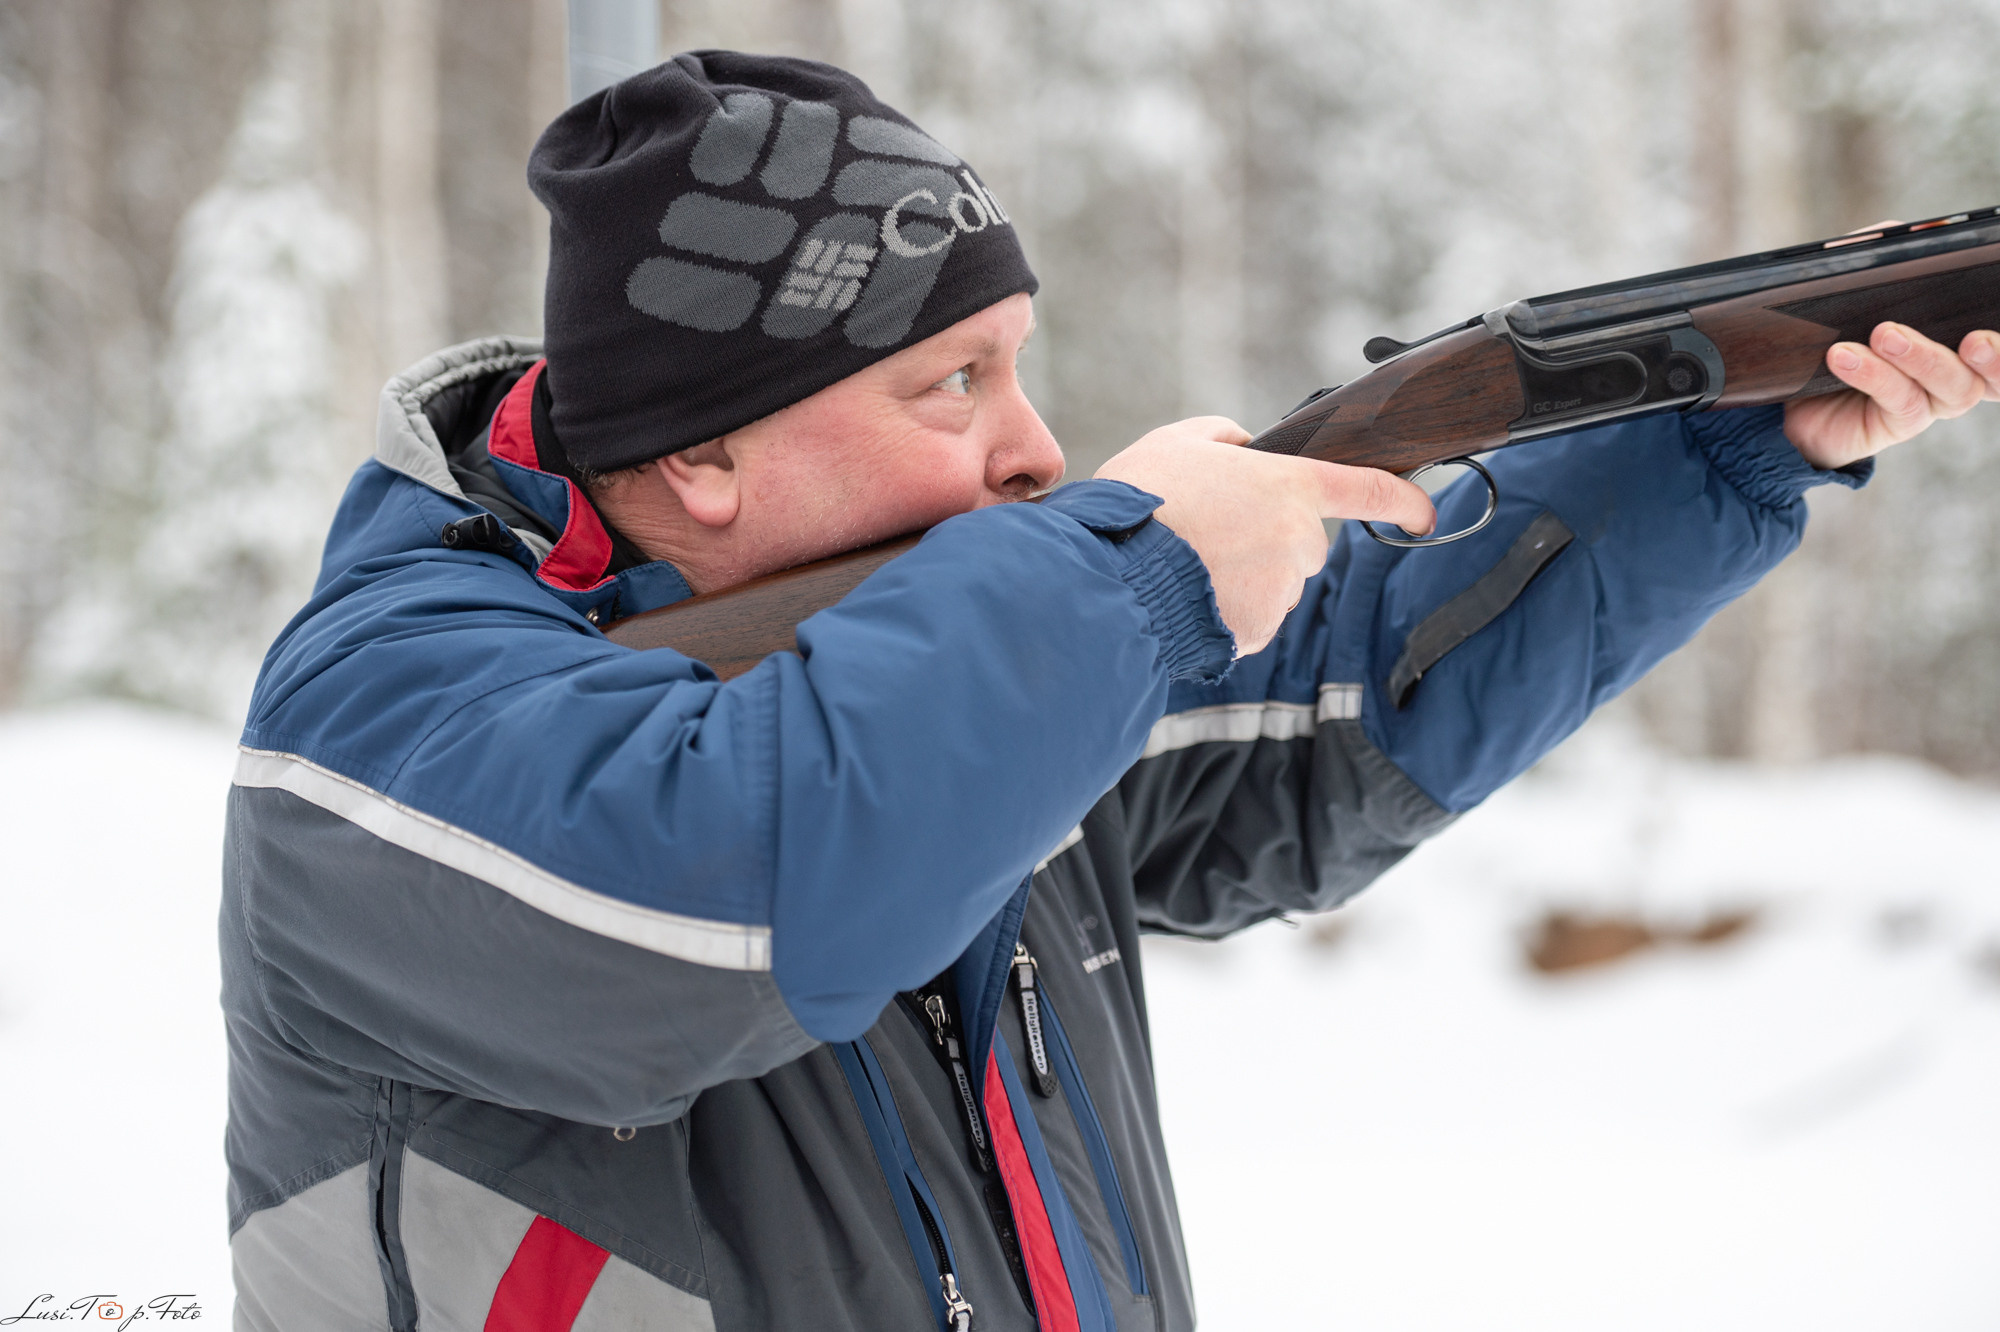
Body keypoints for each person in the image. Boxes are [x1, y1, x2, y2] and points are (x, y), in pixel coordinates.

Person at [219, 51, 1998, 1331]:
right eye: (955, 384)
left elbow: (1326, 732)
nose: (1039, 448)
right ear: (703, 458)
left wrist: (1722, 434)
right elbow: (744, 872)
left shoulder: (954, 663)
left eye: (1022, 367)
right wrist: (1140, 570)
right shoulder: (380, 719)